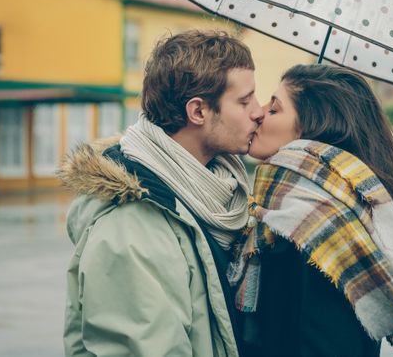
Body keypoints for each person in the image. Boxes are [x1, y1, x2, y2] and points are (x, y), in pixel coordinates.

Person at [59, 30, 263, 357]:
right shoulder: (130, 230)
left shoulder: (219, 195)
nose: (259, 111)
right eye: (244, 101)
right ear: (198, 112)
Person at [229, 64, 393, 357]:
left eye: (274, 109)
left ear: (313, 128)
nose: (260, 113)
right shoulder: (297, 212)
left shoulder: (318, 228)